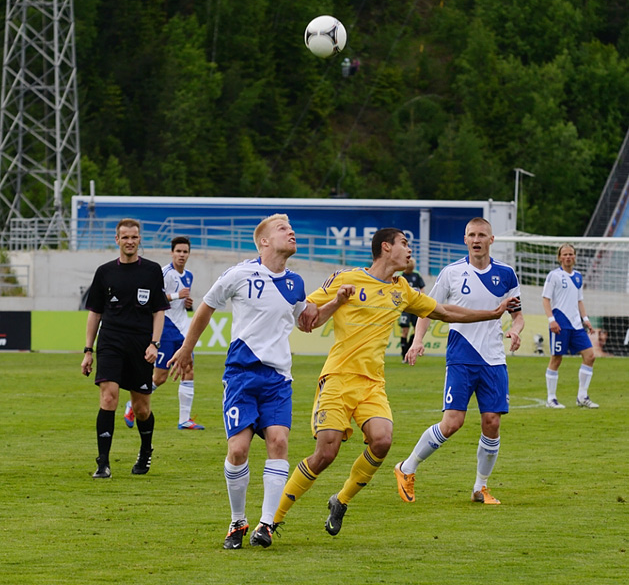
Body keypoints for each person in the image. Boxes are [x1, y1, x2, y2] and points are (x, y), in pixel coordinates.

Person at [273, 226, 519, 537]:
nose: (409, 249)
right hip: (337, 378)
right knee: (326, 454)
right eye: (404, 243)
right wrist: (336, 300)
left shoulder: (402, 289)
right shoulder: (346, 278)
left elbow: (444, 311)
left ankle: (341, 500)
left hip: (372, 384)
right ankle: (272, 520)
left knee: (383, 440)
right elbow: (307, 320)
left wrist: (491, 314)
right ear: (386, 248)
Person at [167, 214, 351, 550]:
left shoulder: (295, 282)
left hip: (278, 379)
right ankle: (238, 521)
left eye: (292, 228)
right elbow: (206, 306)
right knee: (237, 450)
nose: (291, 232)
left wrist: (337, 302)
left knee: (278, 442)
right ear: (264, 241)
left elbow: (306, 322)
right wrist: (186, 349)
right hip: (241, 375)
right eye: (283, 229)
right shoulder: (239, 273)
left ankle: (266, 524)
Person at [394, 217, 524, 506]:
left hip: (494, 359)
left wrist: (515, 331)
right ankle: (406, 468)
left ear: (491, 240)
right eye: (471, 235)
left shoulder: (506, 274)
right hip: (461, 356)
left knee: (492, 423)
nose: (476, 239)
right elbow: (426, 310)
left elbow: (517, 315)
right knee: (452, 423)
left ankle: (481, 487)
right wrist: (417, 341)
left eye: (482, 235)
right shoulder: (451, 273)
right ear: (465, 240)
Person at [81, 218, 169, 479]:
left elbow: (159, 311)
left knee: (141, 408)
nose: (130, 241)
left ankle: (145, 451)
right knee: (108, 397)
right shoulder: (105, 272)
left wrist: (155, 344)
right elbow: (95, 313)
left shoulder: (152, 271)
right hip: (110, 342)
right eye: (125, 237)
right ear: (117, 240)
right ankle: (103, 463)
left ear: (139, 239)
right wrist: (88, 350)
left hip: (141, 346)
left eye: (134, 237)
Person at [123, 236, 204, 430]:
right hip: (166, 327)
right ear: (172, 253)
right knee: (160, 377)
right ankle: (132, 404)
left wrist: (187, 304)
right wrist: (177, 295)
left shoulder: (189, 275)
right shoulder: (164, 273)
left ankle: (184, 420)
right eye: (178, 251)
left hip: (183, 328)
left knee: (188, 368)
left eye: (185, 252)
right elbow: (153, 298)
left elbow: (179, 303)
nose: (182, 255)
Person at [543, 244, 598, 409]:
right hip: (560, 324)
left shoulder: (578, 277)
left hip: (576, 325)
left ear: (575, 257)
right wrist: (551, 320)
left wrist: (585, 319)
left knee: (590, 356)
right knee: (556, 359)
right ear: (559, 257)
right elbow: (546, 299)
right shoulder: (554, 276)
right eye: (565, 254)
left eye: (571, 254)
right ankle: (551, 398)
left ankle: (582, 396)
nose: (568, 257)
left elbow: (579, 300)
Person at [399, 257, 426, 360]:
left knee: (416, 331)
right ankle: (403, 354)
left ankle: (408, 350)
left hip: (415, 307)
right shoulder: (400, 276)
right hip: (405, 308)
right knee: (405, 331)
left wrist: (423, 299)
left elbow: (422, 288)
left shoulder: (416, 274)